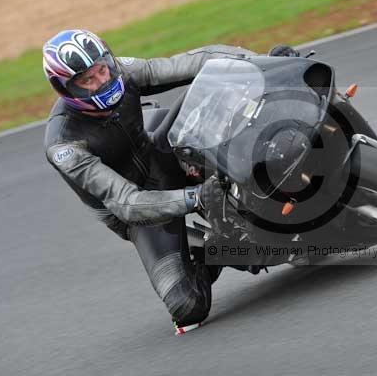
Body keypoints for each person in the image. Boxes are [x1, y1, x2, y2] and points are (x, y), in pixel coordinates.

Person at [42, 29, 297, 334]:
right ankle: (212, 249)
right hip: (139, 214)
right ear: (65, 90)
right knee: (187, 306)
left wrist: (264, 63)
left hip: (159, 156)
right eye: (88, 80)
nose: (103, 81)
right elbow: (127, 203)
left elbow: (197, 61)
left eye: (101, 69)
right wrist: (197, 197)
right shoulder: (64, 145)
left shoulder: (120, 71)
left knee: (217, 87)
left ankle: (280, 169)